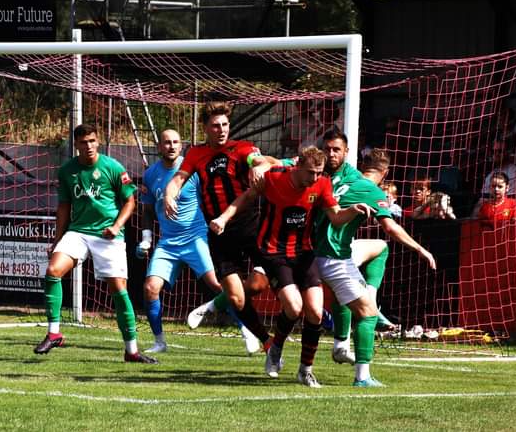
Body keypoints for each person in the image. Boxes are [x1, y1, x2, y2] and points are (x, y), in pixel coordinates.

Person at [210, 146, 371, 388]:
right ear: (298, 167)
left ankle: (305, 371)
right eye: (310, 172)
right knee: (294, 307)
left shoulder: (322, 184)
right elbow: (247, 196)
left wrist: (353, 211)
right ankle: (275, 347)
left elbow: (336, 217)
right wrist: (223, 218)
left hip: (304, 253)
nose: (314, 178)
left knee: (315, 312)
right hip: (274, 253)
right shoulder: (275, 178)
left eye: (319, 172)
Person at [317, 137, 436, 387]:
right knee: (367, 314)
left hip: (314, 252)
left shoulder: (340, 178)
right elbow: (390, 228)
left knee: (379, 247)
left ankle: (341, 341)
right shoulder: (372, 190)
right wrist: (420, 249)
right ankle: (362, 377)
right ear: (386, 172)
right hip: (333, 256)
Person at [34, 124, 157, 364]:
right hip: (78, 232)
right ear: (76, 145)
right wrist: (57, 240)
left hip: (108, 235)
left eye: (92, 141)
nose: (89, 146)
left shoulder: (113, 167)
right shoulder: (67, 171)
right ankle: (54, 333)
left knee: (119, 290)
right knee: (52, 271)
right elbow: (63, 207)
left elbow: (130, 202)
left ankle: (131, 351)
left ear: (97, 141)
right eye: (83, 142)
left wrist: (117, 226)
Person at [163, 101, 274, 350]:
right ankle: (268, 343)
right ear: (205, 127)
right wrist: (169, 195)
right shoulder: (196, 154)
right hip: (218, 232)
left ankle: (318, 318)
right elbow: (178, 179)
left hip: (250, 226)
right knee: (236, 297)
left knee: (259, 284)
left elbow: (258, 160)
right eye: (215, 125)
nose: (221, 130)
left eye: (225, 124)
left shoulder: (242, 148)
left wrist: (260, 167)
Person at [137, 129, 259, 354]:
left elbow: (212, 197)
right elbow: (147, 210)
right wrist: (146, 238)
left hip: (197, 237)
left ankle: (248, 330)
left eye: (176, 142)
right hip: (168, 242)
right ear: (159, 146)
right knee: (150, 288)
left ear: (181, 145)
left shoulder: (193, 169)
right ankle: (159, 342)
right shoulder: (150, 174)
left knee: (221, 286)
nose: (172, 146)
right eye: (167, 142)